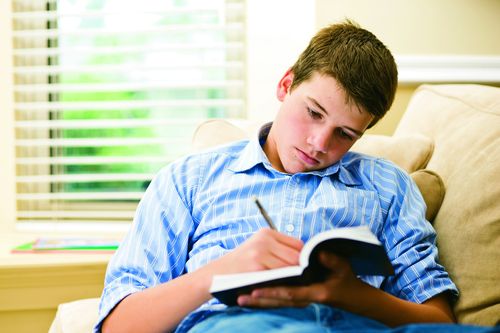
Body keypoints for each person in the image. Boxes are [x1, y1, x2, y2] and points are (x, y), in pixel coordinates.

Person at [95, 21, 491, 333]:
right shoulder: (190, 179)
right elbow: (118, 325)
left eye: (345, 134)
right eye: (314, 112)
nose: (319, 143)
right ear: (286, 85)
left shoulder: (389, 187)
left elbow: (439, 322)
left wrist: (349, 295)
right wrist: (221, 271)